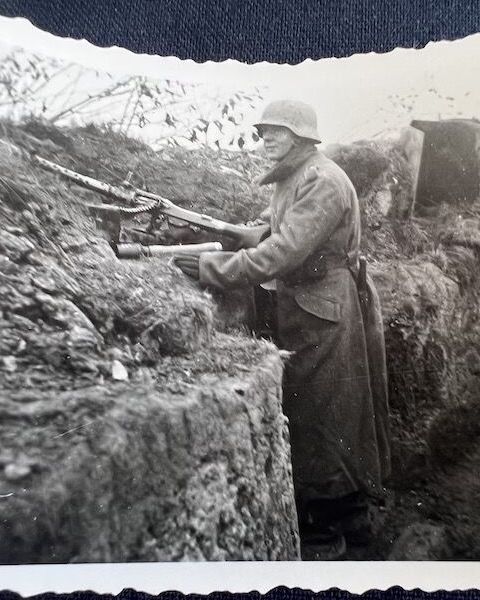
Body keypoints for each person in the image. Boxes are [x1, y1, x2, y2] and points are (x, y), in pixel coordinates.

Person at [175, 100, 391, 559]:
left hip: (323, 308)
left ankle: (331, 533)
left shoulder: (323, 180)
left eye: (274, 131)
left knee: (322, 415)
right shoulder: (298, 176)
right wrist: (241, 231)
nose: (264, 138)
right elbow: (277, 229)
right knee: (320, 414)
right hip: (306, 303)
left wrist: (211, 267)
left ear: (299, 135)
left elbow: (282, 253)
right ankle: (348, 524)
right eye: (262, 131)